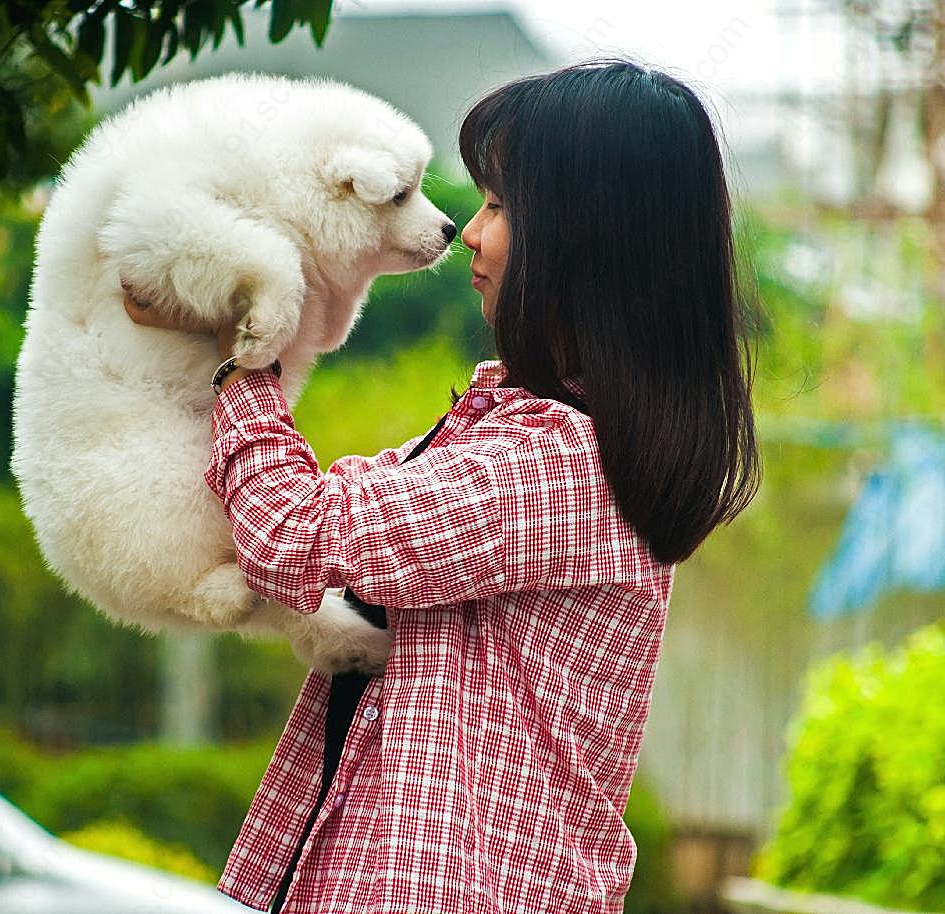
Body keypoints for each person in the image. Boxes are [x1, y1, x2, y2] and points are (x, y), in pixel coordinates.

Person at [125, 59, 760, 914]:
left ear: (583, 239)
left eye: (500, 205)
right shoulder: (513, 433)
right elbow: (336, 511)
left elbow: (293, 534)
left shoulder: (557, 468)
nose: (469, 230)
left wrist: (249, 348)